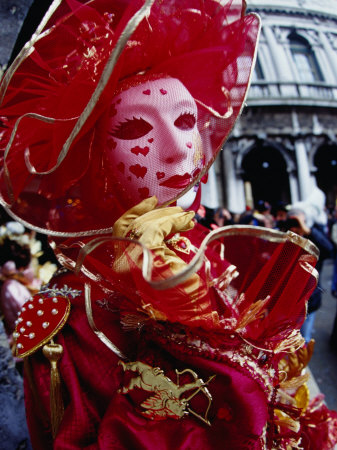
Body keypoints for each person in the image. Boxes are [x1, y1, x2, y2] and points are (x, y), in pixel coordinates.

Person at [0, 1, 337, 449]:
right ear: (95, 159)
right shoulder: (76, 315)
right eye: (137, 128)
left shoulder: (204, 247)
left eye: (185, 120)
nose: (178, 150)